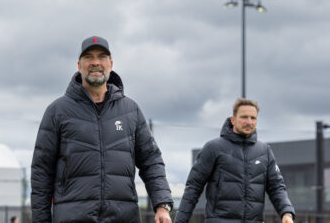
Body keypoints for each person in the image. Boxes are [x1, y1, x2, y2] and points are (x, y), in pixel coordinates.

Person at [31, 36, 173, 223]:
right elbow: (41, 173)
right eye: (88, 57)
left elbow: (151, 160)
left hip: (124, 217)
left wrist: (162, 205)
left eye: (102, 57)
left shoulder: (131, 110)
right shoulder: (57, 111)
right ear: (79, 65)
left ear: (110, 64)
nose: (95, 62)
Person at [175, 98, 295, 223]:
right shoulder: (213, 148)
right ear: (233, 120)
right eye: (244, 117)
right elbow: (193, 187)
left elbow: (277, 187)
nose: (249, 122)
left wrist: (286, 212)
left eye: (253, 118)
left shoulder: (265, 151)